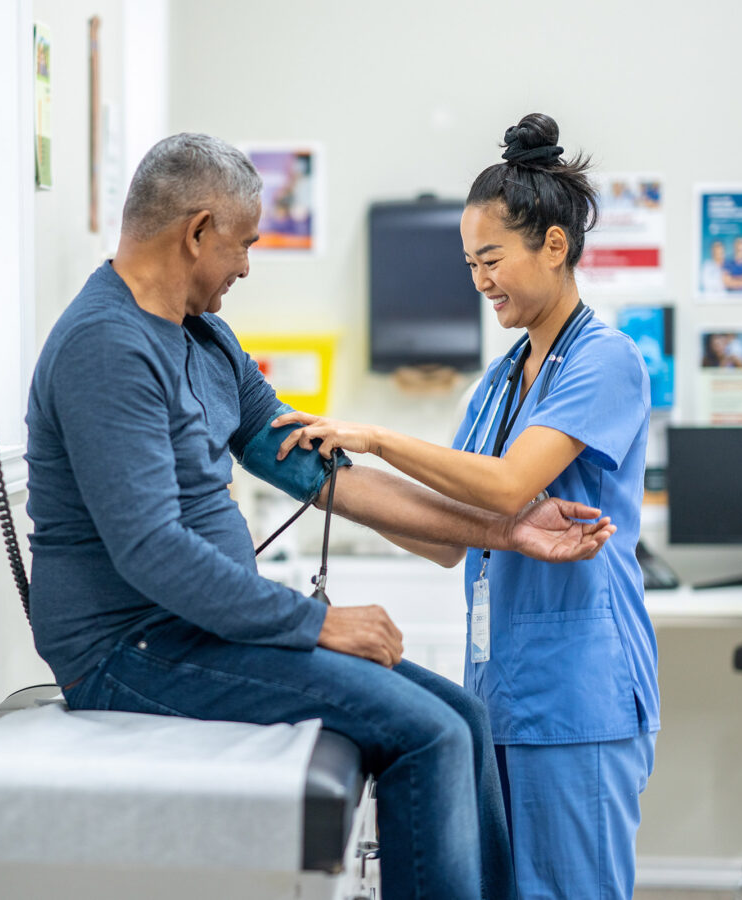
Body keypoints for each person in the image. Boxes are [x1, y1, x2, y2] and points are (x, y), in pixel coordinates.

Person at [25, 133, 616, 900]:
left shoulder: (203, 337)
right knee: (427, 736)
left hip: (201, 630)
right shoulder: (106, 346)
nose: (244, 266)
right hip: (128, 650)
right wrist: (318, 624)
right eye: (241, 245)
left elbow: (323, 473)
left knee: (464, 716)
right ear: (196, 231)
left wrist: (504, 529)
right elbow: (151, 552)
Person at [275, 114, 659, 899]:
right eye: (470, 263)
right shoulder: (502, 378)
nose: (479, 280)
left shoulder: (606, 361)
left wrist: (378, 437)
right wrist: (334, 483)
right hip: (505, 688)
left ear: (554, 246)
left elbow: (510, 487)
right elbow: (450, 538)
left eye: (492, 259)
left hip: (576, 689)